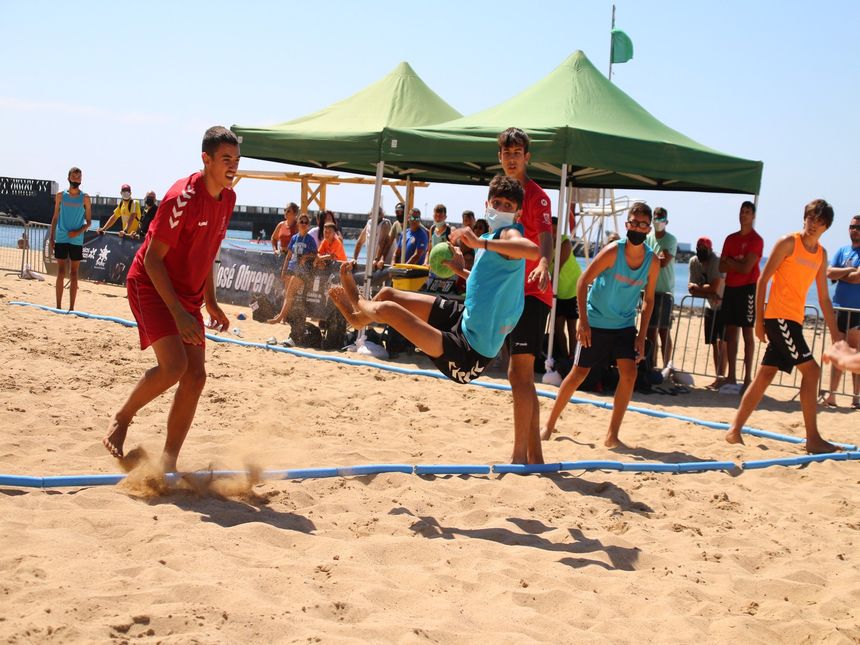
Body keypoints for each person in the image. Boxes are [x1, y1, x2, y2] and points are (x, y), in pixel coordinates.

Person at [101, 126, 238, 471]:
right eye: (226, 159)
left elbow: (207, 251)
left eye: (236, 160)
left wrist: (211, 301)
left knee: (196, 377)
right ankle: (122, 417)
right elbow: (151, 260)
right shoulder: (182, 198)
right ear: (205, 160)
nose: (233, 166)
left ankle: (168, 463)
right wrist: (177, 313)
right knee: (175, 367)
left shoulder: (229, 199)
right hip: (150, 283)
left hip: (187, 294)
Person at [329, 175, 539, 390]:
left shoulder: (506, 234)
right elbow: (485, 286)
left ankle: (356, 298)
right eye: (496, 203)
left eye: (508, 206)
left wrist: (478, 243)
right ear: (487, 205)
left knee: (388, 309)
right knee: (388, 295)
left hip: (469, 352)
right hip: (464, 318)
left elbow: (532, 251)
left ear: (518, 214)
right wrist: (461, 271)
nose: (501, 209)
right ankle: (357, 320)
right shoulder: (491, 237)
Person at [725, 199, 840, 453]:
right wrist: (758, 321)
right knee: (812, 372)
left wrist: (835, 335)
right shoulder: (789, 242)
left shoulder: (821, 254)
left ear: (826, 227)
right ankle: (813, 439)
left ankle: (734, 431)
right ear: (805, 218)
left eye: (819, 221)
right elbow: (762, 279)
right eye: (810, 218)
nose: (813, 224)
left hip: (794, 321)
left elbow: (823, 298)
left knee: (765, 375)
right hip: (778, 318)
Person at [541, 202, 659, 447]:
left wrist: (641, 337)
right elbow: (583, 281)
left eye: (642, 224)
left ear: (649, 229)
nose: (637, 227)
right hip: (596, 322)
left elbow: (648, 301)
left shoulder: (652, 261)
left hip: (625, 325)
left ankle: (611, 435)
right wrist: (583, 321)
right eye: (633, 222)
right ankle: (549, 425)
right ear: (627, 225)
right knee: (577, 375)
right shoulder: (614, 251)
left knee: (630, 374)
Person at [498, 127, 553, 465]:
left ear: (527, 157)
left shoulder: (537, 196)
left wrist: (545, 261)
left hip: (534, 291)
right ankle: (535, 456)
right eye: (507, 152)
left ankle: (520, 456)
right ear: (500, 157)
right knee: (520, 376)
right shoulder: (502, 195)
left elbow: (547, 234)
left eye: (517, 152)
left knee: (519, 373)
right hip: (512, 291)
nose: (512, 157)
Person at [719, 201, 764, 392]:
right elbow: (721, 267)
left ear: (753, 216)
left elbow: (747, 269)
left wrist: (731, 261)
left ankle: (747, 378)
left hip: (747, 289)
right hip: (731, 288)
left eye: (747, 212)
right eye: (742, 212)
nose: (743, 215)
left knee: (747, 333)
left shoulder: (756, 240)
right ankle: (731, 376)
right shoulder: (730, 239)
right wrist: (735, 262)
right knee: (730, 333)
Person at [820, 214, 860, 408]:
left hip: (857, 310)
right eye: (852, 227)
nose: (855, 230)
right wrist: (848, 271)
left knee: (854, 353)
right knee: (838, 352)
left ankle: (856, 397)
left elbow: (857, 278)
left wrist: (841, 273)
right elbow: (828, 273)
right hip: (839, 308)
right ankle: (832, 395)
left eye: (858, 228)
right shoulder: (843, 250)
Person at [49, 166, 91, 310]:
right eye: (74, 176)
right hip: (61, 237)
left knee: (74, 273)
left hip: (76, 239)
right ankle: (58, 306)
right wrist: (51, 237)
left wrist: (78, 232)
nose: (76, 179)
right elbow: (55, 217)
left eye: (79, 177)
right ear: (68, 178)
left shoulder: (85, 198)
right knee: (61, 271)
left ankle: (72, 308)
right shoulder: (60, 195)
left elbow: (89, 222)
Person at [688, 236, 727, 389]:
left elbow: (714, 287)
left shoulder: (716, 260)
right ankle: (719, 377)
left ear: (710, 250)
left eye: (704, 249)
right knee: (713, 344)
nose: (701, 251)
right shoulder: (694, 262)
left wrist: (702, 289)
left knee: (722, 342)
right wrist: (708, 292)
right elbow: (690, 289)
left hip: (725, 304)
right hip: (711, 305)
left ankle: (722, 377)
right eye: (699, 249)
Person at [267, 213, 317, 324]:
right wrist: (284, 270)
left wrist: (305, 256)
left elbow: (315, 255)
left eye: (306, 222)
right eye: (301, 221)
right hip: (291, 267)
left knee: (290, 294)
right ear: (298, 223)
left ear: (308, 225)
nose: (303, 224)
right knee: (288, 294)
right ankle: (284, 318)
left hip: (302, 270)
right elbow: (289, 256)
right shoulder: (294, 238)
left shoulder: (310, 239)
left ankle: (280, 317)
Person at [645, 207, 676, 371]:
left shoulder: (670, 240)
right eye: (656, 218)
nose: (658, 221)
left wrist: (651, 258)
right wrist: (655, 258)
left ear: (666, 221)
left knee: (664, 331)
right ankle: (651, 365)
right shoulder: (647, 238)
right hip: (649, 290)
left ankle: (667, 366)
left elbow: (663, 262)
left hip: (664, 292)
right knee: (650, 331)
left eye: (661, 218)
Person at [551, 214, 582, 360]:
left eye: (554, 231)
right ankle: (565, 358)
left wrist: (549, 291)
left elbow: (557, 267)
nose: (552, 234)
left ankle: (573, 358)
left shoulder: (565, 242)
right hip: (557, 290)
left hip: (571, 289)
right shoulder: (544, 242)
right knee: (557, 328)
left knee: (571, 327)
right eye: (550, 230)